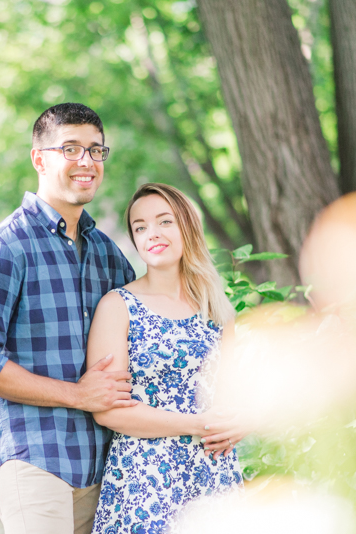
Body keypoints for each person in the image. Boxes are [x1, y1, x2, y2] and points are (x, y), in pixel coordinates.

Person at [0, 103, 137, 534]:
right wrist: (78, 395)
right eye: (70, 149)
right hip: (33, 459)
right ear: (40, 158)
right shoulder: (5, 247)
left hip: (104, 465)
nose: (86, 162)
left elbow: (145, 340)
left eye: (95, 150)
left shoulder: (108, 255)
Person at [87, 183, 244, 534]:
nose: (151, 234)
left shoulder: (216, 308)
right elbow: (108, 409)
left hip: (213, 475)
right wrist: (195, 425)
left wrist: (241, 422)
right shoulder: (118, 306)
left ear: (187, 226)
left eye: (164, 222)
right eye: (140, 227)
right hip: (146, 482)